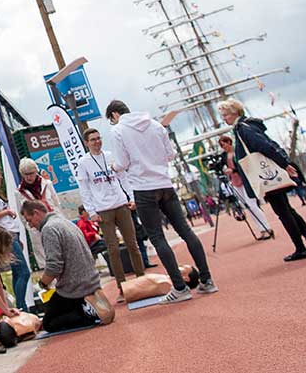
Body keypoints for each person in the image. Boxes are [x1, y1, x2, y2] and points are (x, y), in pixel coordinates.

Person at [106, 99, 217, 303]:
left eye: (111, 120)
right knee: (185, 231)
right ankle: (207, 279)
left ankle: (179, 287)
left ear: (114, 115)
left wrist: (114, 167)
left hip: (142, 187)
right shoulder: (155, 124)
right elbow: (170, 154)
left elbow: (122, 163)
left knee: (157, 237)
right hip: (165, 183)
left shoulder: (118, 131)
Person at [218, 100, 306, 262]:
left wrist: (284, 164)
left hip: (266, 175)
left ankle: (301, 248)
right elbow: (268, 144)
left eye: (225, 115)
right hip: (270, 172)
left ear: (234, 113)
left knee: (283, 212)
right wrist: (284, 162)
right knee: (288, 210)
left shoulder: (243, 129)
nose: (224, 118)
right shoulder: (249, 126)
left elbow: (264, 146)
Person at [20, 200, 114, 331]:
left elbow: (54, 266)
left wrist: (43, 283)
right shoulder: (64, 221)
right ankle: (86, 305)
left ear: (36, 213)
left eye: (29, 220)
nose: (30, 225)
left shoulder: (49, 229)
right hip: (91, 280)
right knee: (55, 309)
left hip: (73, 287)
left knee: (49, 324)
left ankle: (87, 313)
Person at [76, 128, 145, 302]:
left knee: (132, 244)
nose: (97, 142)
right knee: (113, 249)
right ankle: (122, 287)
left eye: (99, 138)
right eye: (93, 139)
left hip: (121, 204)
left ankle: (142, 280)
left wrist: (131, 197)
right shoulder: (83, 163)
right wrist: (91, 212)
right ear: (86, 143)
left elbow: (123, 178)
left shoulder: (110, 156)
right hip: (103, 210)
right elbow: (84, 190)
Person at [0, 164, 30, 310]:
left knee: (17, 270)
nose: (0, 177)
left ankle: (20, 306)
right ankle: (22, 306)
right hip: (5, 234)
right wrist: (7, 212)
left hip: (11, 233)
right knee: (24, 271)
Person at [217, 135, 274, 240]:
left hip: (245, 180)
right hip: (235, 182)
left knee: (252, 205)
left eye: (224, 144)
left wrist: (233, 171)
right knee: (247, 206)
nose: (223, 147)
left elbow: (245, 166)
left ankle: (267, 227)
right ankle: (261, 229)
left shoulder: (238, 152)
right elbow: (220, 166)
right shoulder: (224, 156)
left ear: (229, 142)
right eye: (221, 146)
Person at [17, 157, 60, 268]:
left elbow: (56, 203)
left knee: (59, 251)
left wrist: (59, 220)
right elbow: (22, 214)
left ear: (36, 171)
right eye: (25, 174)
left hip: (53, 223)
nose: (28, 177)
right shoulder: (19, 192)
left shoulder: (47, 184)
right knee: (44, 258)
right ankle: (50, 283)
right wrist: (30, 228)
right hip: (36, 229)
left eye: (31, 173)